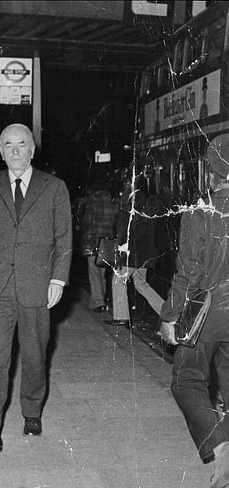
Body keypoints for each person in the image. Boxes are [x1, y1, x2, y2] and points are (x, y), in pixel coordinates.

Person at [0, 123, 72, 451]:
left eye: (21, 144)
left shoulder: (54, 187)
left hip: (37, 286)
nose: (14, 151)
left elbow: (64, 236)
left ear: (32, 148)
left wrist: (58, 278)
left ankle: (32, 410)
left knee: (36, 355)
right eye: (8, 145)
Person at [159, 135, 229, 488]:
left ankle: (221, 449)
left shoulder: (200, 213)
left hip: (213, 310)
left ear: (212, 173)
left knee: (187, 380)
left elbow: (188, 273)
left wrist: (170, 316)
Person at [108, 187, 164, 328]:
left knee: (118, 281)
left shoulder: (126, 214)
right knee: (142, 285)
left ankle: (121, 317)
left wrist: (120, 255)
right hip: (144, 258)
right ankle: (166, 311)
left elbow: (123, 237)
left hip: (131, 257)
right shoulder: (146, 214)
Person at [79, 181, 118, 312]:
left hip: (92, 240)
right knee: (102, 272)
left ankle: (98, 302)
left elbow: (87, 220)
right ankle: (98, 300)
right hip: (106, 242)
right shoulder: (112, 202)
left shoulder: (93, 200)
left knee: (93, 272)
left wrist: (82, 230)